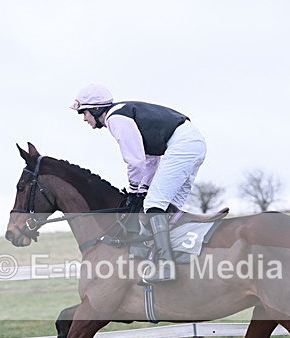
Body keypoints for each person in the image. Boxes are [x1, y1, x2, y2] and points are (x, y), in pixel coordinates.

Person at [70, 83, 207, 283]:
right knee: (168, 207)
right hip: (191, 143)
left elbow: (134, 161)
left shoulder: (115, 118)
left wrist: (134, 190)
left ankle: (166, 266)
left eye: (84, 113)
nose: (84, 118)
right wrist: (142, 189)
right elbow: (150, 159)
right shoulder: (123, 114)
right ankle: (179, 256)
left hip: (182, 146)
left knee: (153, 205)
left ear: (96, 109)